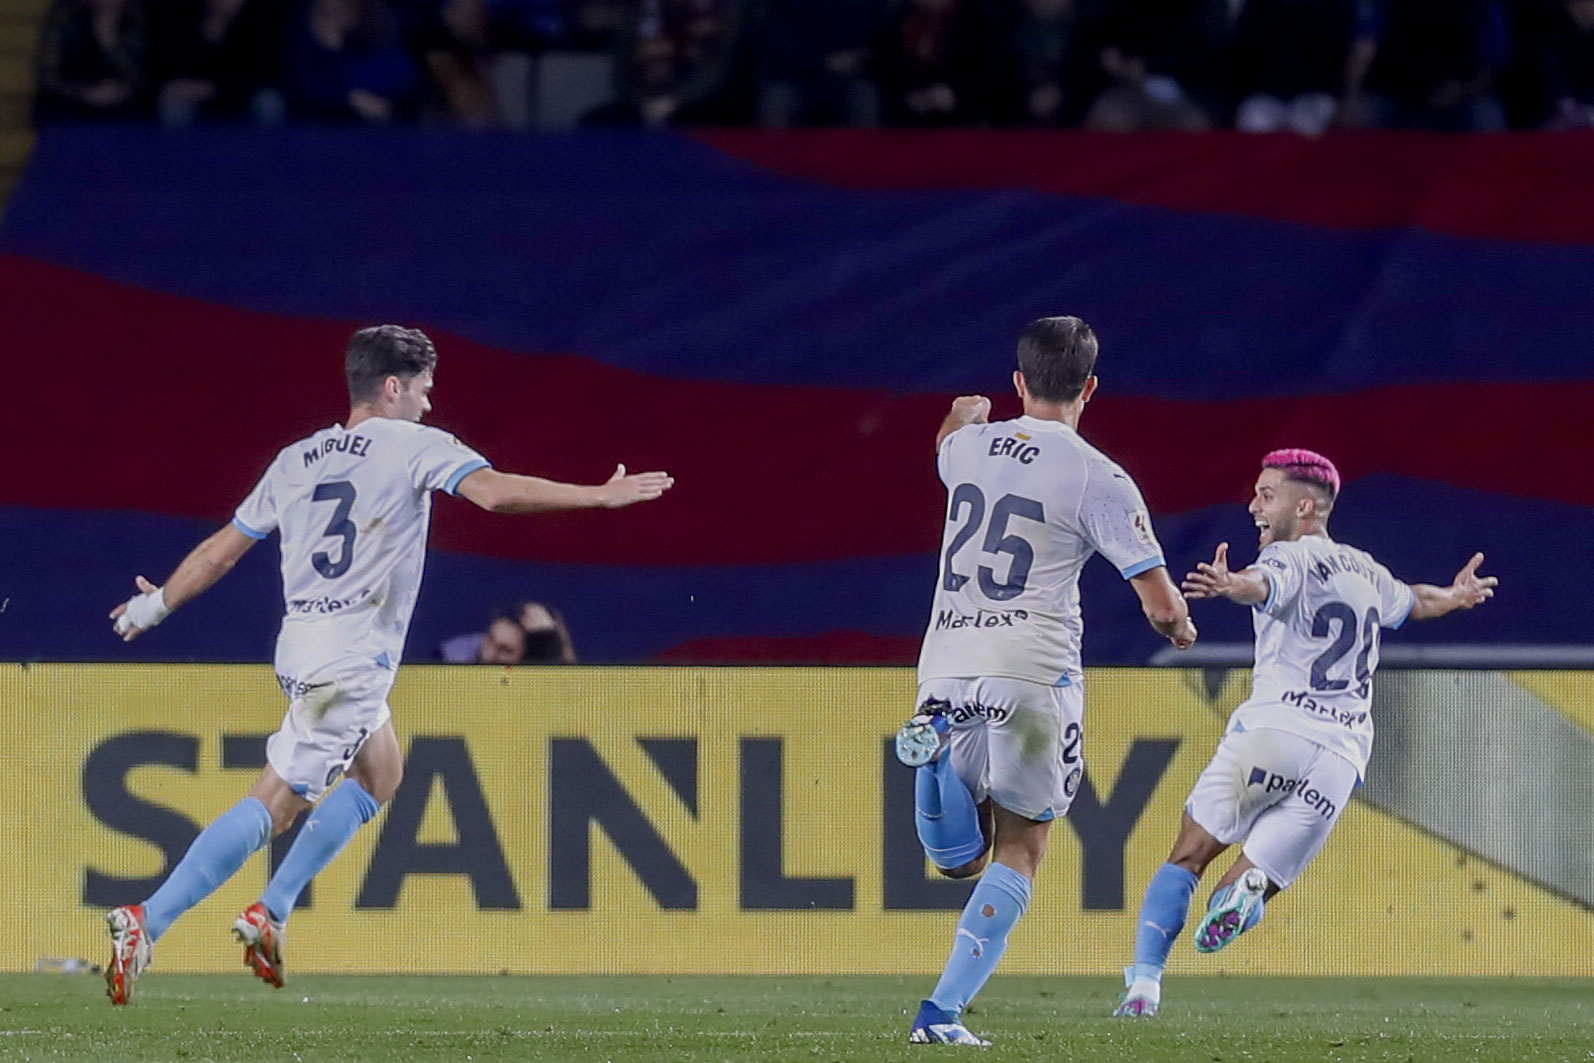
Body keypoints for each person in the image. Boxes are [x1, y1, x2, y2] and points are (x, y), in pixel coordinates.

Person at [101, 325, 673, 1005]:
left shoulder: (297, 459)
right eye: (425, 390)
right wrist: (597, 495)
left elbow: (221, 550)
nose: (431, 406)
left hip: (302, 646)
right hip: (351, 659)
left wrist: (153, 608)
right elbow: (494, 493)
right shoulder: (413, 446)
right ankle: (148, 919)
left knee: (384, 771)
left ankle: (271, 911)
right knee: (276, 804)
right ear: (394, 387)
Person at [894, 315, 1197, 1045]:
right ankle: (938, 1015)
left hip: (948, 663)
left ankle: (936, 746)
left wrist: (960, 415)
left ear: (1018, 382)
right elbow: (1158, 606)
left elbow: (947, 443)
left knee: (955, 859)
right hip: (1031, 671)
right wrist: (1182, 628)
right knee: (1021, 848)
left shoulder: (966, 447)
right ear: (1091, 387)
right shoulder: (1099, 473)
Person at [1112, 449, 1496, 1019]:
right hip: (1342, 756)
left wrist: (1229, 583)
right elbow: (1414, 602)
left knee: (1188, 855)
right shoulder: (1367, 570)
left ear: (1306, 506)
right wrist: (1458, 596)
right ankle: (1247, 896)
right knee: (1248, 882)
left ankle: (1144, 986)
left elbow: (1262, 584)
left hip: (1275, 732)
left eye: (1268, 494)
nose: (1254, 505)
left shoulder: (1291, 558)